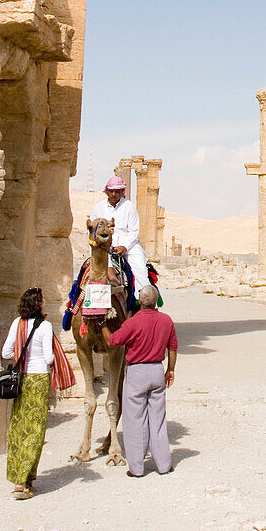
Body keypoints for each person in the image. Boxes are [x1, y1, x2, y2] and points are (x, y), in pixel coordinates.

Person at [101, 285, 177, 477]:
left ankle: (136, 468)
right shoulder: (166, 321)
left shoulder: (132, 322)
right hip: (157, 370)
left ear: (141, 301)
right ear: (156, 300)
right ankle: (163, 465)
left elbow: (112, 342)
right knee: (158, 420)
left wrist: (102, 326)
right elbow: (173, 348)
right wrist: (171, 370)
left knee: (134, 420)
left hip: (137, 372)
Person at [1, 288, 54, 500]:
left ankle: (19, 477)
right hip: (39, 378)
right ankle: (24, 480)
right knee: (35, 428)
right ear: (38, 304)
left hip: (21, 378)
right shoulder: (46, 325)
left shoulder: (17, 323)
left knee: (19, 425)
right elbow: (49, 358)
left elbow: (6, 353)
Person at [92, 175, 150, 297]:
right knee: (94, 261)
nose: (114, 194)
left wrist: (125, 246)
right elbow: (93, 229)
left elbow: (134, 231)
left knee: (140, 265)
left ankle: (144, 297)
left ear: (122, 192)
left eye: (117, 191)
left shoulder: (129, 206)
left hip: (127, 243)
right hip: (105, 243)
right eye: (111, 191)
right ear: (106, 191)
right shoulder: (99, 207)